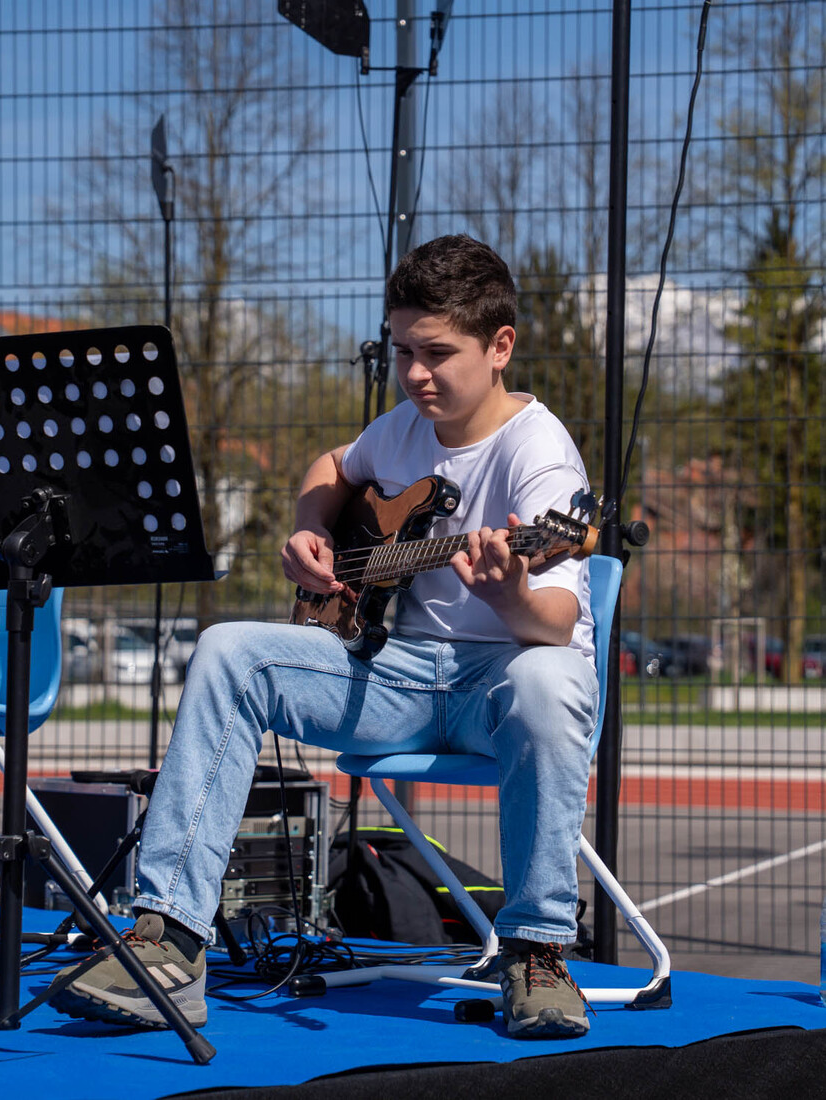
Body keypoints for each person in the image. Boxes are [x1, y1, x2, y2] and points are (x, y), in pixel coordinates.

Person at [49, 234, 599, 1039]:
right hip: (401, 677)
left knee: (549, 681)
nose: (415, 373)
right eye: (402, 350)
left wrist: (508, 591)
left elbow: (554, 625)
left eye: (436, 353)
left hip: (503, 684)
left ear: (499, 346)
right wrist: (310, 528)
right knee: (228, 650)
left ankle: (535, 950)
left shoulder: (541, 455)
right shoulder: (401, 427)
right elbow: (333, 465)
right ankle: (168, 940)